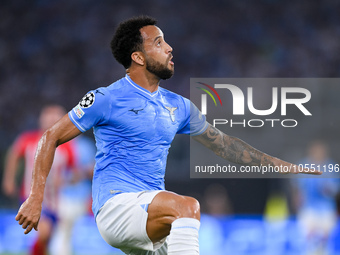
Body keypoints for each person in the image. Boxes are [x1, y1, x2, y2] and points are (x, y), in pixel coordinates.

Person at [15, 16, 320, 255]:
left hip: (150, 215)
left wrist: (279, 164)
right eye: (159, 43)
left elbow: (225, 146)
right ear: (137, 56)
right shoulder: (107, 98)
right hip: (116, 206)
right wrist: (35, 197)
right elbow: (50, 137)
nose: (169, 47)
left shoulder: (178, 105)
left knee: (179, 224)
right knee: (187, 207)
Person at [2, 104, 76, 255]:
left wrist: (65, 180)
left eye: (55, 118)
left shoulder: (67, 147)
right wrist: (9, 178)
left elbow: (74, 173)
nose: (51, 121)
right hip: (30, 197)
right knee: (44, 233)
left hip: (54, 202)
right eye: (48, 117)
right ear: (41, 120)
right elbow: (14, 154)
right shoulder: (28, 140)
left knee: (46, 239)